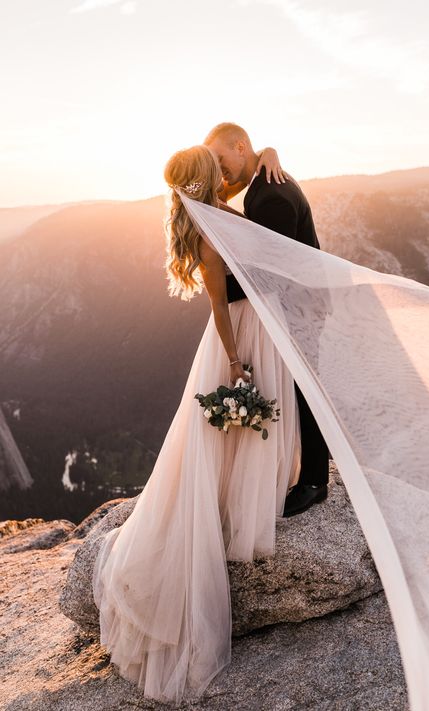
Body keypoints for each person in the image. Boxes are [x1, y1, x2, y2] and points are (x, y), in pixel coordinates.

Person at [92, 144, 304, 704]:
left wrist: (268, 152)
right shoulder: (206, 228)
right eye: (216, 164)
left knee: (234, 434)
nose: (224, 168)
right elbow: (217, 304)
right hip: (237, 335)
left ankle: (249, 497)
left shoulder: (212, 205)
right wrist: (235, 365)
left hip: (259, 322)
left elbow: (244, 184)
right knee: (223, 432)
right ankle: (228, 511)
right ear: (207, 177)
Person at [204, 122, 329, 517]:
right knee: (300, 388)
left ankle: (313, 482)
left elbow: (269, 275)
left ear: (242, 147)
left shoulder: (270, 195)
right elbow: (214, 192)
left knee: (306, 392)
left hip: (299, 305)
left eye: (222, 160)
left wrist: (222, 296)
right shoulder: (261, 180)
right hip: (298, 301)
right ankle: (307, 475)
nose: (222, 173)